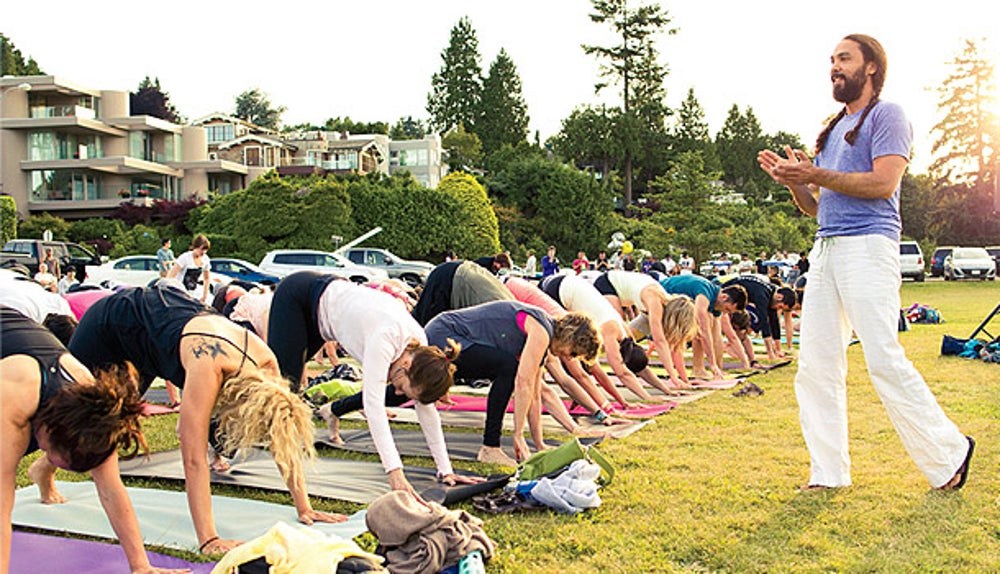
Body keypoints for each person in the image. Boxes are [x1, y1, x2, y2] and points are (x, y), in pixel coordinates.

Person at [757, 33, 972, 490]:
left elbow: (882, 185)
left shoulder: (888, 116)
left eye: (844, 59)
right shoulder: (832, 129)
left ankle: (950, 453)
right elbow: (817, 206)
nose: (834, 67)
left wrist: (814, 173)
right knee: (815, 364)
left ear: (870, 67)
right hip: (826, 249)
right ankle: (828, 473)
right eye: (832, 60)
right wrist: (795, 181)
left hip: (869, 247)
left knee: (883, 358)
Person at [64, 284, 344, 555]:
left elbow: (281, 439)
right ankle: (42, 464)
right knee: (77, 417)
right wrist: (209, 538)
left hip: (150, 334)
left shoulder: (267, 365)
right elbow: (194, 458)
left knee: (116, 419)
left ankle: (43, 469)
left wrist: (303, 506)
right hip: (110, 323)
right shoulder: (208, 368)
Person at [1, 307, 186, 574]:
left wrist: (141, 567)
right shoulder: (16, 398)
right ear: (49, 431)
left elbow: (112, 490)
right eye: (52, 456)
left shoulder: (96, 413)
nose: (51, 459)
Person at [267, 272, 483, 493]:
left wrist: (445, 469)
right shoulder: (385, 340)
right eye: (404, 389)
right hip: (299, 296)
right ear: (406, 367)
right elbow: (374, 408)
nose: (398, 393)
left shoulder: (421, 352)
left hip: (323, 314)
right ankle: (238, 440)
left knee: (283, 387)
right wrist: (395, 473)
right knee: (281, 389)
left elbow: (427, 411)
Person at [425, 301, 601, 465]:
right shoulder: (542, 330)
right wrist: (518, 435)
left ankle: (492, 447)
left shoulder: (544, 340)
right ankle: (490, 448)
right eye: (573, 353)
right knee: (508, 367)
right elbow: (522, 382)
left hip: (454, 338)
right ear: (570, 337)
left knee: (508, 367)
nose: (568, 358)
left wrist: (539, 445)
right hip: (444, 334)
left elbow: (534, 395)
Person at [542, 273, 691, 401]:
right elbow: (621, 373)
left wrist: (665, 389)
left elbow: (640, 368)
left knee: (580, 362)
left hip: (571, 284)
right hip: (557, 289)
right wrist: (646, 397)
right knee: (573, 360)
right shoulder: (611, 331)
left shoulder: (626, 333)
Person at [590, 270, 698, 388]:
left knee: (627, 340)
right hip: (608, 283)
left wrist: (684, 379)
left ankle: (627, 368)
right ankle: (596, 363)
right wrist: (673, 377)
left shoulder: (662, 305)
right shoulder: (655, 302)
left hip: (629, 298)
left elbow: (675, 347)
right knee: (616, 329)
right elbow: (659, 341)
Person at [656, 274, 748, 379]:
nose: (725, 313)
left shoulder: (716, 302)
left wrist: (718, 368)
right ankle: (698, 369)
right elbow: (703, 330)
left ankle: (710, 369)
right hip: (660, 296)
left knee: (712, 327)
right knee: (700, 328)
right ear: (724, 297)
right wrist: (712, 364)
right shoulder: (704, 292)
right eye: (727, 309)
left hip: (675, 303)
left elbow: (716, 336)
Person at [410, 260, 513, 327]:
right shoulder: (508, 323)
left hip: (457, 273)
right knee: (426, 327)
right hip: (451, 278)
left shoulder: (514, 310)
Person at [167, 234, 212, 303]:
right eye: (201, 249)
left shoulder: (205, 259)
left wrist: (204, 295)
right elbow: (171, 275)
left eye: (205, 250)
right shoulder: (185, 257)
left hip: (194, 290)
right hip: (180, 290)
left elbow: (206, 278)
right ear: (195, 247)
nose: (203, 252)